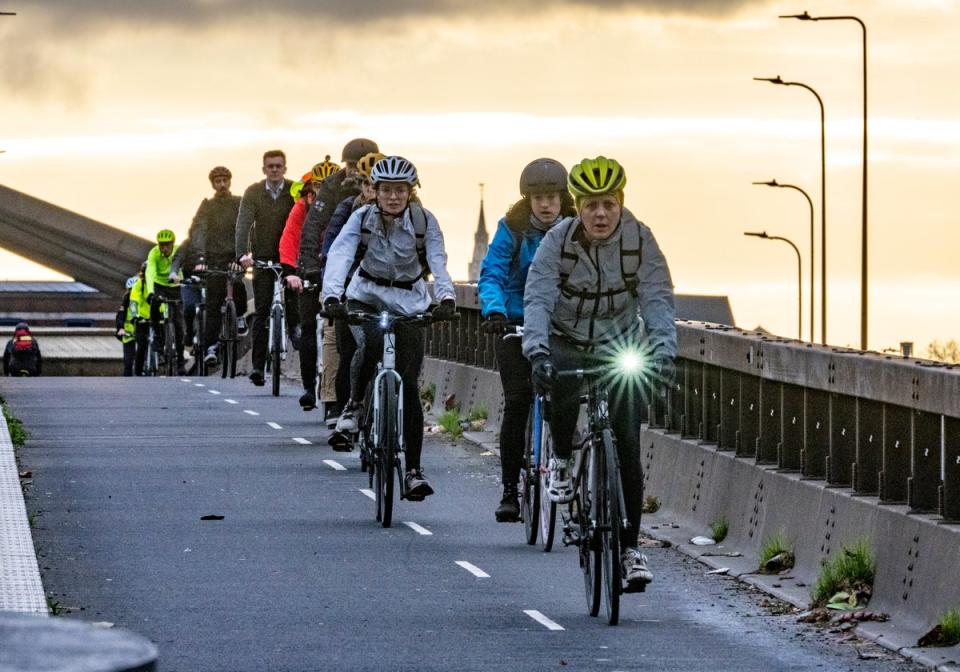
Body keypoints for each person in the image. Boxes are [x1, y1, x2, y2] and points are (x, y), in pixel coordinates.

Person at [522, 156, 677, 590]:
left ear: (621, 203)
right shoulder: (558, 242)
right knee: (563, 387)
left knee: (628, 445)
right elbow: (537, 299)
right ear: (578, 206)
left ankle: (630, 549)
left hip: (619, 344)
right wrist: (537, 353)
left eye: (608, 204)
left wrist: (664, 351)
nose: (601, 214)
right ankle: (562, 460)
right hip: (566, 337)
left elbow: (658, 297)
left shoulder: (640, 240)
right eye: (591, 205)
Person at [322, 156, 456, 499]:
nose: (393, 197)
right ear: (375, 192)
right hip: (366, 295)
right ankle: (353, 405)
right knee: (370, 343)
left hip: (410, 301)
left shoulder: (425, 222)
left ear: (411, 192)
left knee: (409, 385)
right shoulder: (361, 219)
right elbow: (340, 255)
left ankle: (413, 471)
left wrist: (446, 299)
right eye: (386, 191)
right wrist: (332, 296)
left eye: (400, 190)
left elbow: (438, 261)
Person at [478, 158, 576, 522]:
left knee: (566, 398)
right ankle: (509, 492)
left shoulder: (575, 229)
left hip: (559, 325)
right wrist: (494, 312)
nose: (546, 204)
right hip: (515, 323)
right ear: (528, 200)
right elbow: (492, 274)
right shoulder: (512, 229)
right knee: (517, 402)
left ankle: (567, 470)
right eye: (539, 198)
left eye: (552, 197)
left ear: (562, 198)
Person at [318, 150, 384, 429]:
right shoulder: (349, 211)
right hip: (351, 291)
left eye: (377, 185)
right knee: (348, 351)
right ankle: (345, 410)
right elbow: (333, 250)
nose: (373, 191)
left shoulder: (411, 214)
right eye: (368, 185)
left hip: (391, 295)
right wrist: (331, 292)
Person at [280, 157, 341, 412]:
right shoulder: (301, 210)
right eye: (313, 192)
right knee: (308, 328)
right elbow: (290, 240)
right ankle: (308, 387)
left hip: (335, 270)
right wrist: (292, 272)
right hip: (308, 269)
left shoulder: (343, 208)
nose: (317, 197)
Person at [235, 150, 300, 386]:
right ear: (264, 169)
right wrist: (242, 254)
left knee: (294, 299)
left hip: (289, 256)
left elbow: (303, 219)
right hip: (262, 257)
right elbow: (243, 223)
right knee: (261, 312)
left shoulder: (294, 190)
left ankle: (294, 329)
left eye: (278, 166)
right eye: (270, 166)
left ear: (285, 168)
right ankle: (258, 367)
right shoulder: (253, 192)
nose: (274, 170)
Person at [181, 166, 248, 368]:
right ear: (213, 184)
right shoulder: (207, 206)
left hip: (234, 256)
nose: (221, 185)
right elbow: (198, 230)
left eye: (224, 180)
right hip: (213, 258)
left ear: (230, 182)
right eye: (217, 181)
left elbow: (245, 227)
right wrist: (200, 258)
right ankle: (211, 347)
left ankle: (240, 316)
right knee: (212, 303)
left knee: (238, 286)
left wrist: (242, 254)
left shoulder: (238, 203)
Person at [146, 228, 186, 375]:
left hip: (175, 286)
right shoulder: (154, 253)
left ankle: (181, 361)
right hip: (159, 285)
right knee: (154, 305)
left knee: (178, 323)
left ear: (172, 244)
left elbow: (186, 265)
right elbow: (150, 272)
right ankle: (157, 335)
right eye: (161, 245)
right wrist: (150, 292)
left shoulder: (178, 252)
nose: (164, 248)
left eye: (167, 245)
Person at [115, 276, 140, 376]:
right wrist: (120, 328)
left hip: (142, 330)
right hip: (128, 332)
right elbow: (120, 315)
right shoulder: (126, 301)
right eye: (131, 290)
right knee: (128, 361)